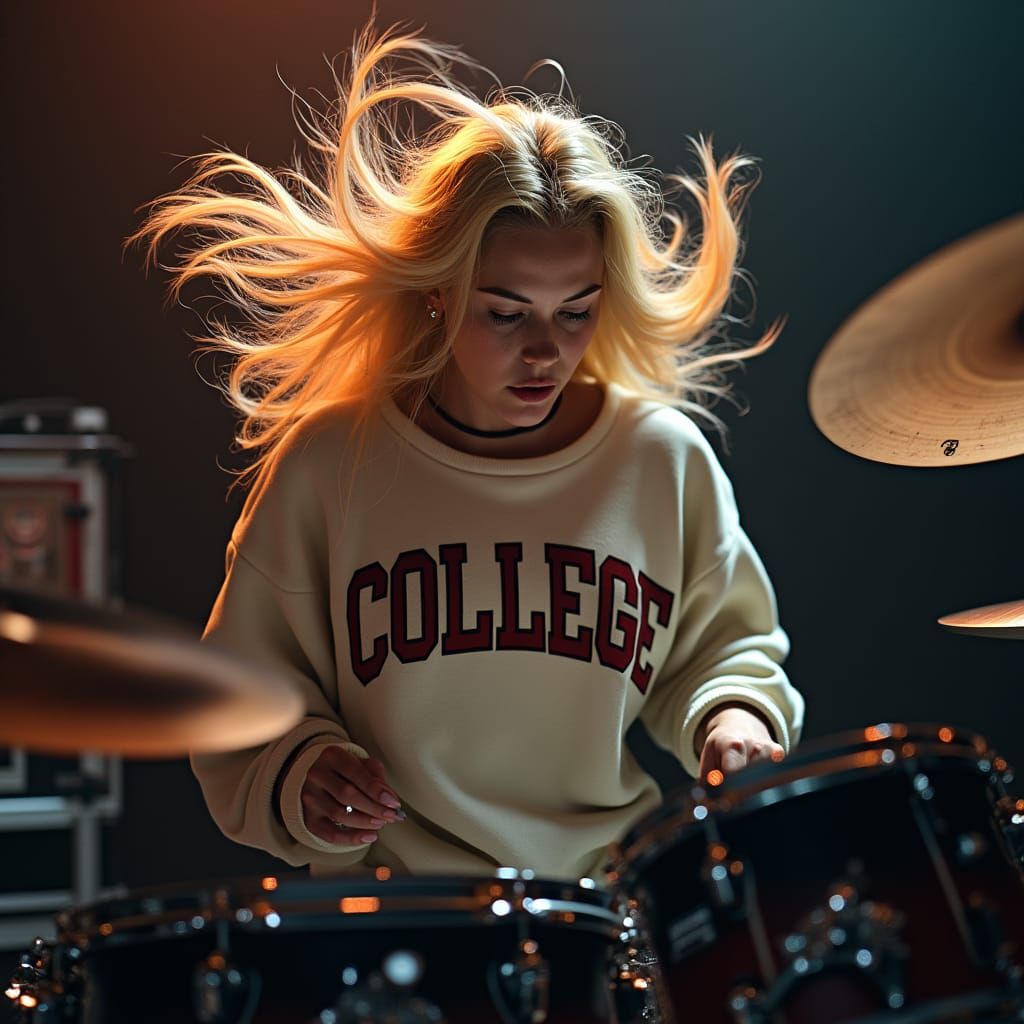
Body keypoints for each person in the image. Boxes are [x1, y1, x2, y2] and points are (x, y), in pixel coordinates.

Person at [129, 19, 804, 881]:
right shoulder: (331, 465)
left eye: (575, 308)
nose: (545, 351)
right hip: (396, 925)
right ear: (441, 294)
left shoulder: (659, 460)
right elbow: (241, 695)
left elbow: (725, 651)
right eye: (506, 309)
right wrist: (295, 770)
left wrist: (733, 718)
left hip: (605, 911)